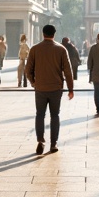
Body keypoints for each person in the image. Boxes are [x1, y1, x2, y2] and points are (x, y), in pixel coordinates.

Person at [24, 24, 74, 154]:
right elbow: (68, 72)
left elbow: (27, 70)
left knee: (40, 114)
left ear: (43, 33)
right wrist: (70, 89)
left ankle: (40, 140)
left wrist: (33, 82)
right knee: (55, 115)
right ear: (54, 34)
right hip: (56, 88)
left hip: (40, 88)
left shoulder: (35, 49)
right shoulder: (61, 49)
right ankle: (54, 143)